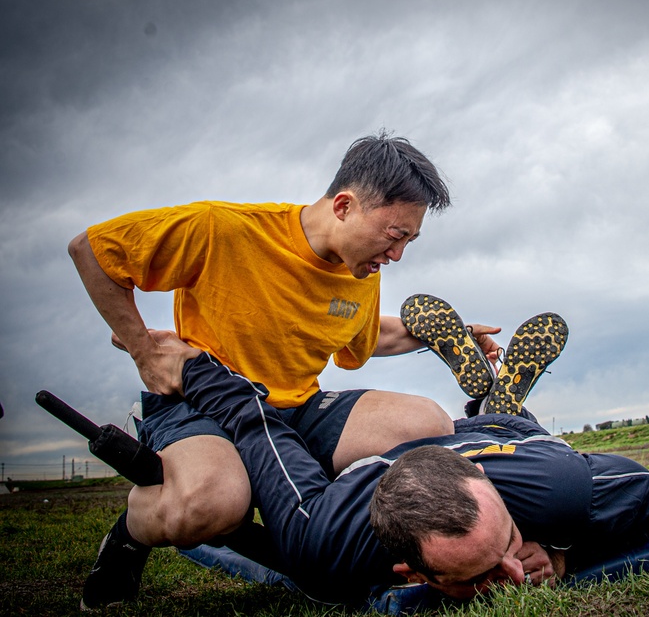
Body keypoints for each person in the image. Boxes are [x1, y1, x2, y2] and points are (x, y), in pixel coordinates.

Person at [69, 135, 501, 606]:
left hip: (294, 410)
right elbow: (91, 252)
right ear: (343, 206)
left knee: (427, 423)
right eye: (395, 235)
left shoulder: (363, 273)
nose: (397, 255)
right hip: (200, 403)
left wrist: (445, 334)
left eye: (409, 241)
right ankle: (132, 530)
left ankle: (350, 537)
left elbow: (363, 335)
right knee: (212, 505)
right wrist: (143, 352)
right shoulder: (223, 229)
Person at [140, 330, 649, 607]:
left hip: (496, 448)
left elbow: (646, 491)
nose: (513, 571)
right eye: (481, 575)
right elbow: (256, 425)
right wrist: (191, 369)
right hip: (353, 482)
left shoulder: (552, 492)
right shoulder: (324, 540)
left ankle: (500, 411)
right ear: (413, 575)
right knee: (224, 504)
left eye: (507, 543)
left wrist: (559, 549)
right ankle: (497, 410)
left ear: (485, 487)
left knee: (516, 432)